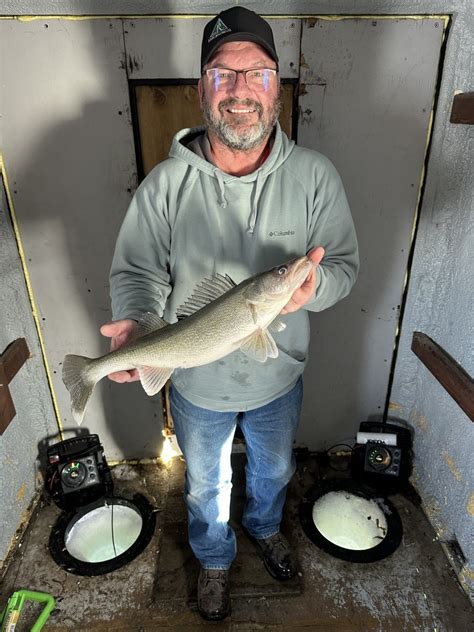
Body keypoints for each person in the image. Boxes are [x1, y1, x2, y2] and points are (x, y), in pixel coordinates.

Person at [101, 6, 359, 622]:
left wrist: (311, 285)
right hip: (195, 379)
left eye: (258, 73)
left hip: (280, 376)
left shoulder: (316, 178)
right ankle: (214, 557)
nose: (240, 90)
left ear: (277, 86)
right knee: (205, 485)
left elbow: (343, 271)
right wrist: (138, 324)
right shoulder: (164, 186)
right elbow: (138, 274)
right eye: (223, 74)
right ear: (202, 90)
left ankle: (266, 528)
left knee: (273, 470)